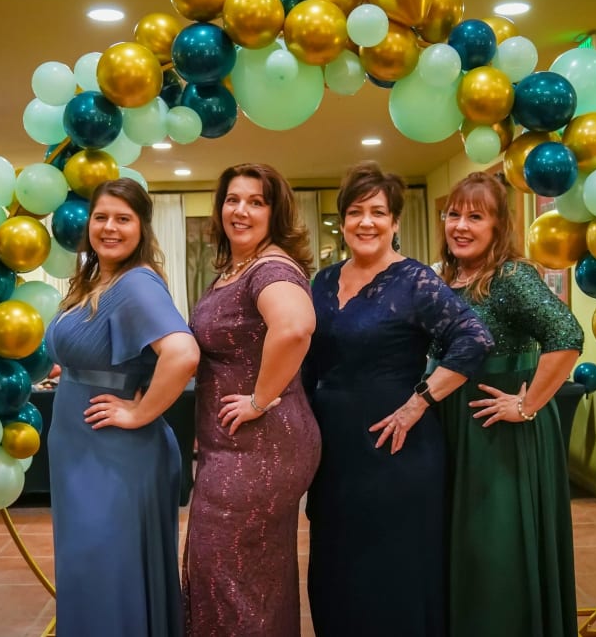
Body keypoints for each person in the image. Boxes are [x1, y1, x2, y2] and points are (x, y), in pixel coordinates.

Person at [305, 161, 493, 636]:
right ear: (342, 220)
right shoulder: (322, 282)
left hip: (397, 448)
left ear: (394, 222)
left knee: (392, 575)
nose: (365, 222)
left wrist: (419, 402)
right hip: (334, 452)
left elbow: (474, 338)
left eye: (377, 212)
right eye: (355, 212)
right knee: (335, 568)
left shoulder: (414, 281)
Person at [44, 178, 199, 636]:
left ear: (143, 227)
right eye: (101, 217)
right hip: (81, 444)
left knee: (105, 566)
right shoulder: (96, 279)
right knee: (91, 564)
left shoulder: (135, 283)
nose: (110, 227)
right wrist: (71, 371)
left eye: (123, 219)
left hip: (114, 451)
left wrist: (139, 412)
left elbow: (182, 353)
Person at [437, 171, 583, 637]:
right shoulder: (449, 277)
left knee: (498, 548)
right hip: (454, 425)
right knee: (464, 547)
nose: (460, 225)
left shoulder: (512, 275)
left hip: (500, 431)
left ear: (499, 226)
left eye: (475, 217)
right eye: (453, 214)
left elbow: (566, 337)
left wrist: (526, 405)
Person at [182, 163, 322, 637]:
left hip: (260, 445)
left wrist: (261, 400)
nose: (240, 210)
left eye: (255, 202)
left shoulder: (272, 268)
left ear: (275, 213)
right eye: (232, 199)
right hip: (240, 446)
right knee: (254, 574)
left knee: (220, 567)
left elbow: (296, 327)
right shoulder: (236, 269)